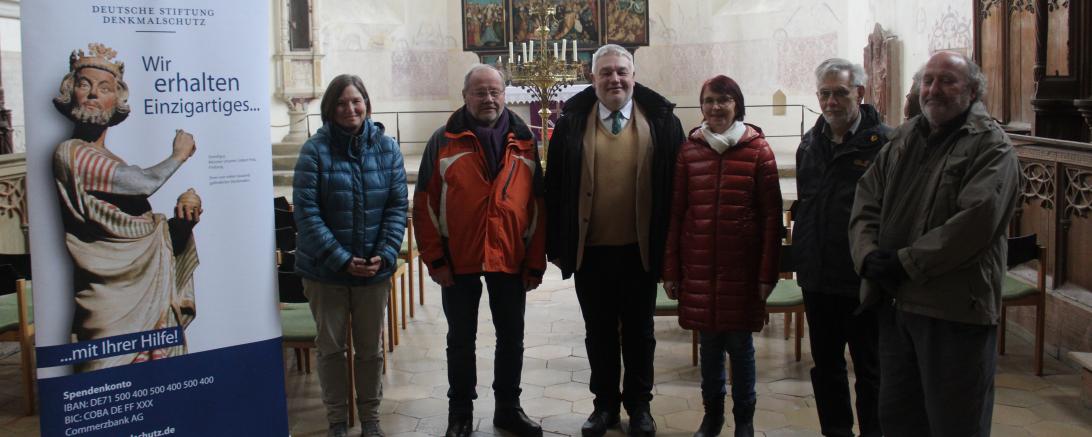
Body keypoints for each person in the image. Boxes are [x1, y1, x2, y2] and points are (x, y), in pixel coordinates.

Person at [849, 51, 1021, 436]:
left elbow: (975, 223)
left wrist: (905, 262)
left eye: (947, 81)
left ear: (973, 90)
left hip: (955, 310)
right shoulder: (905, 136)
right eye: (928, 80)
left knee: (955, 422)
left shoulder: (991, 147)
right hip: (898, 305)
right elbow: (867, 198)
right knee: (898, 418)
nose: (934, 90)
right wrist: (868, 254)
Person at [545, 44, 684, 437]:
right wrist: (558, 246)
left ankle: (639, 406)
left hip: (642, 248)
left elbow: (677, 189)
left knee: (640, 332)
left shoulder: (660, 119)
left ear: (634, 76)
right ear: (593, 78)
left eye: (622, 71)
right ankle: (604, 405)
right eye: (606, 72)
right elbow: (554, 187)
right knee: (599, 331)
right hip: (591, 249)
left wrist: (672, 250)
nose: (614, 79)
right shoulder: (571, 121)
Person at [52, 43, 201, 373]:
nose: (92, 94)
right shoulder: (70, 153)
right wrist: (178, 155)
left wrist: (181, 224)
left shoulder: (110, 159)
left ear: (116, 100)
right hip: (109, 303)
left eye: (104, 88)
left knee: (154, 392)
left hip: (148, 293)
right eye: (83, 84)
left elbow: (139, 228)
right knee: (109, 395)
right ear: (70, 90)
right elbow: (142, 183)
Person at [414, 64, 546, 437]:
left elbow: (538, 205)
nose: (488, 98)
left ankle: (508, 407)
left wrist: (535, 260)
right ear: (465, 96)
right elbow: (423, 203)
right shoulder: (442, 141)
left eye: (495, 91)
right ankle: (461, 413)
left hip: (509, 254)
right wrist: (434, 258)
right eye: (480, 92)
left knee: (511, 337)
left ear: (505, 94)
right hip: (459, 257)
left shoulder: (525, 141)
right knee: (460, 339)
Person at [662, 75, 782, 437]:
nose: (716, 107)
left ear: (737, 105)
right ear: (701, 106)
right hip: (698, 266)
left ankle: (744, 419)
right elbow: (677, 212)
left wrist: (766, 275)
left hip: (741, 270)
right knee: (710, 349)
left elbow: (771, 219)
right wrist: (671, 270)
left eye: (724, 100)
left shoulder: (759, 150)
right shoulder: (689, 150)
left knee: (741, 349)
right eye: (710, 100)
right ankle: (712, 416)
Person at [293, 74, 408, 437]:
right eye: (342, 103)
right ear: (330, 109)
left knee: (370, 350)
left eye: (356, 101)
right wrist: (341, 258)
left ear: (367, 105)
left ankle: (371, 419)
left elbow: (396, 206)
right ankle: (337, 421)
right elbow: (306, 213)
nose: (350, 108)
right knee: (330, 350)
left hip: (373, 270)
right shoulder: (314, 150)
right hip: (325, 272)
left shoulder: (387, 149)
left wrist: (386, 253)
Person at [793, 58, 889, 437]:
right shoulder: (809, 143)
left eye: (840, 93)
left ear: (860, 93)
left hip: (860, 277)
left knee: (870, 369)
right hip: (817, 277)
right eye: (824, 94)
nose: (831, 102)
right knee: (826, 366)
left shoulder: (885, 144)